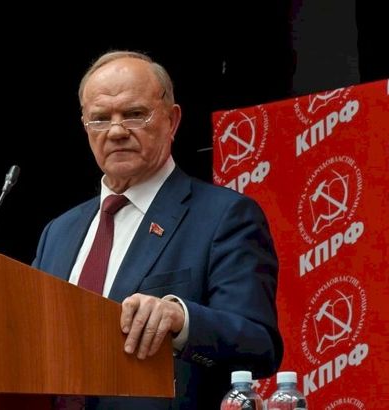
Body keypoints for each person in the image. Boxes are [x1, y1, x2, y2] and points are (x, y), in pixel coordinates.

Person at [32, 50, 283, 410]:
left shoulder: (224, 216)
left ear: (172, 120)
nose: (116, 131)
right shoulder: (57, 233)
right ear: (85, 127)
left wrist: (182, 320)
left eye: (134, 114)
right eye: (100, 119)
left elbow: (259, 346)